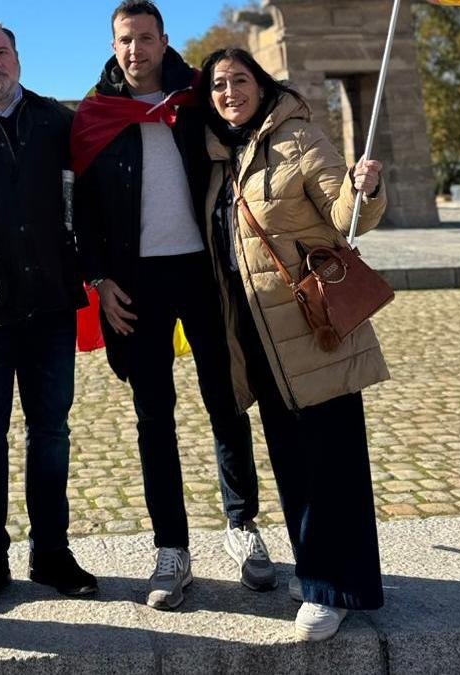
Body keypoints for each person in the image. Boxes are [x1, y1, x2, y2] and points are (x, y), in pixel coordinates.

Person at [71, 0, 276, 611]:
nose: (136, 50)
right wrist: (100, 281)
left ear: (165, 41)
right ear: (115, 45)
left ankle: (243, 528)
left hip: (206, 273)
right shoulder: (94, 115)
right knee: (153, 416)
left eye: (146, 38)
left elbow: (258, 133)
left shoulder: (199, 98)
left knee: (227, 403)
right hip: (135, 283)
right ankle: (172, 550)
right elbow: (81, 213)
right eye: (125, 40)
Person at [193, 47, 387, 641]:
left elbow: (344, 213)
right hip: (257, 334)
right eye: (219, 85)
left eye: (239, 80)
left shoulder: (301, 136)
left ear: (261, 83)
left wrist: (364, 189)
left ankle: (334, 589)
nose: (229, 92)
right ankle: (319, 575)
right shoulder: (220, 156)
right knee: (292, 462)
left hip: (312, 325)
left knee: (333, 460)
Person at [0, 19, 96, 611]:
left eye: (2, 52)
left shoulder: (57, 120)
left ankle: (50, 550)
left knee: (50, 433)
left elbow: (91, 191)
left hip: (53, 302)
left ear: (18, 58)